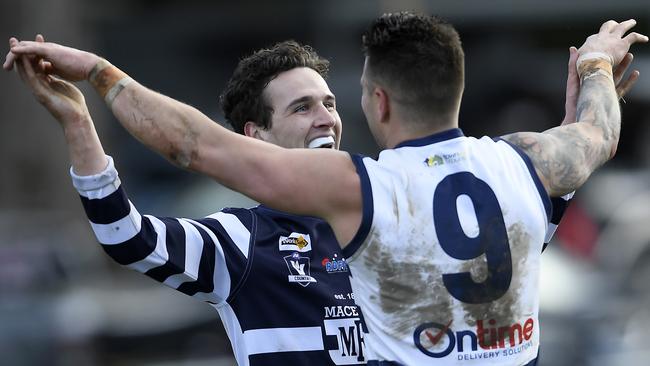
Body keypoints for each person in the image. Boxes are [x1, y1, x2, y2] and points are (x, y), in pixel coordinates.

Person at [5, 13, 646, 365]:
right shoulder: (242, 238)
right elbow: (128, 238)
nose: (327, 118)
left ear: (375, 103)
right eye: (302, 108)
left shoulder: (382, 200)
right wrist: (80, 123)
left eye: (332, 102)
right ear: (255, 135)